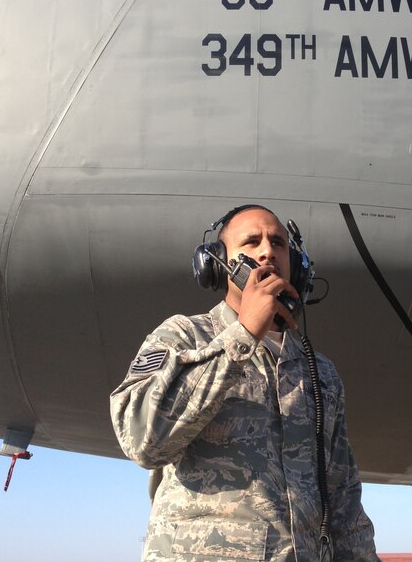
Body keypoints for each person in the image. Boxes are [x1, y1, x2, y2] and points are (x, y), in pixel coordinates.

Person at [110, 205, 378, 562]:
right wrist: (243, 335)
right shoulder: (184, 336)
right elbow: (143, 440)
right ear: (216, 263)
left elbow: (344, 502)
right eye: (251, 242)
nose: (267, 251)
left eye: (278, 243)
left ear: (296, 265)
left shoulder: (320, 373)